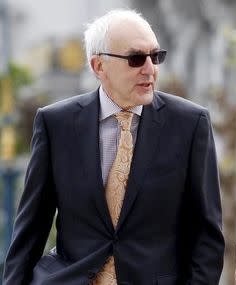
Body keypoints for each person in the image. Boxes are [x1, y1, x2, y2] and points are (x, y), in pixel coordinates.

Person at [3, 9, 224, 285]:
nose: (150, 69)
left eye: (155, 57)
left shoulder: (190, 124)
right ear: (99, 66)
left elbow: (207, 235)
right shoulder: (55, 123)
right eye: (136, 58)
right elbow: (31, 228)